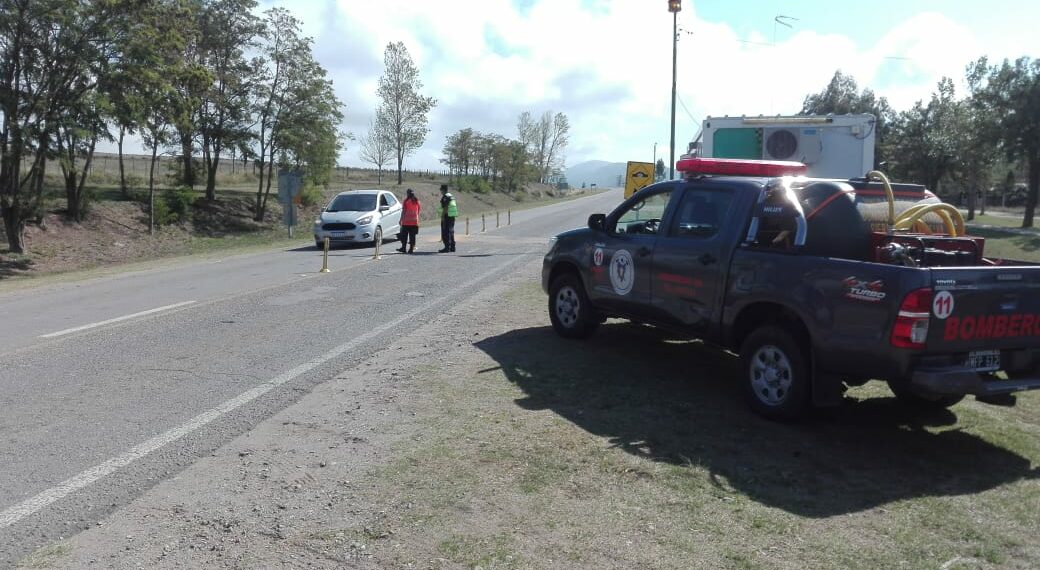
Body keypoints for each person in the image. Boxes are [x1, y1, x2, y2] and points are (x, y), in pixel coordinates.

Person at [397, 188, 421, 253]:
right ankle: (411, 249)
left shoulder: (406, 201)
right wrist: (416, 218)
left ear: (408, 194)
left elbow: (404, 211)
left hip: (406, 221)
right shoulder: (417, 201)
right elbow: (418, 211)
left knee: (404, 236)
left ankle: (403, 248)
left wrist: (401, 219)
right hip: (414, 221)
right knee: (412, 236)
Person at [437, 183, 457, 253]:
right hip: (452, 216)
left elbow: (445, 207)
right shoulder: (451, 196)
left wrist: (442, 216)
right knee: (451, 231)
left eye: (441, 190)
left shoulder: (445, 197)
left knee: (445, 232)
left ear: (443, 190)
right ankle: (452, 247)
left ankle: (447, 247)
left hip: (447, 216)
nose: (440, 191)